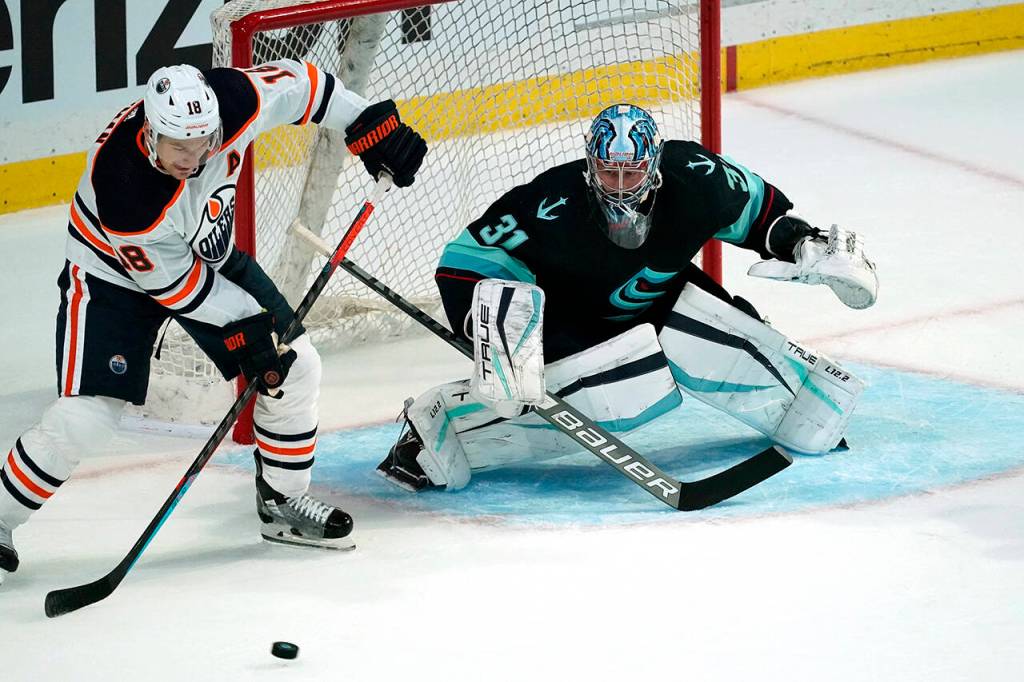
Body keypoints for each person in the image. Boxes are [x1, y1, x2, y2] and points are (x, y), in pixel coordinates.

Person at [0, 60, 426, 585]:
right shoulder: (126, 187)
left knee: (296, 368)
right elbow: (178, 289)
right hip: (114, 280)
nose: (192, 157)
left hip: (211, 255)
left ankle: (283, 504)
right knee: (86, 417)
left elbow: (303, 87)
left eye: (203, 143)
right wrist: (251, 330)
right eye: (178, 146)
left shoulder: (236, 99)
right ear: (150, 132)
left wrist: (367, 123)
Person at [376, 102, 876, 493]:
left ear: (653, 165)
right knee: (629, 391)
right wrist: (491, 333)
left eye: (631, 172)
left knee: (744, 346)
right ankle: (434, 428)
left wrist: (804, 243)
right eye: (608, 172)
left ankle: (796, 418)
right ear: (591, 164)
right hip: (572, 320)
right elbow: (465, 261)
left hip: (659, 298)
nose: (618, 185)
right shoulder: (552, 202)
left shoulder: (695, 176)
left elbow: (760, 215)